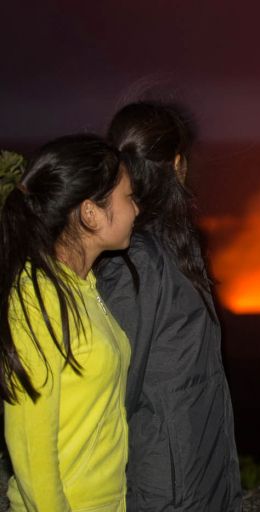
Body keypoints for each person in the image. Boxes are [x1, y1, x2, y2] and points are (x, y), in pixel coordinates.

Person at [96, 101, 242, 511]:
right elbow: (115, 388)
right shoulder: (138, 259)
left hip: (197, 473)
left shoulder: (172, 245)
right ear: (177, 164)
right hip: (168, 485)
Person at [0, 135, 138, 510]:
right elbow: (31, 447)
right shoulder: (38, 296)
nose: (136, 210)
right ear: (91, 212)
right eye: (128, 197)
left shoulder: (83, 286)